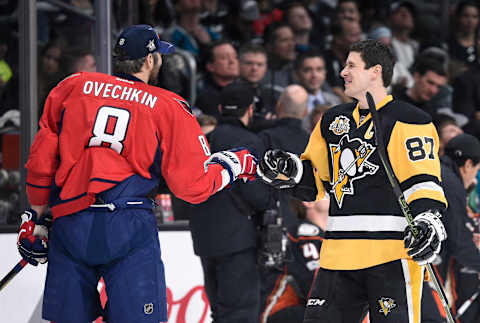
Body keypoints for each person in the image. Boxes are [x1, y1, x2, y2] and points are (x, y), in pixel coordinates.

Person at [16, 24, 257, 323]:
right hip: (128, 225)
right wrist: (234, 166)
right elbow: (191, 186)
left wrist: (36, 219)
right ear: (149, 60)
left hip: (71, 222)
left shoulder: (73, 86)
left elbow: (41, 161)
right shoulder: (168, 105)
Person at [257, 39, 448, 322]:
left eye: (351, 65)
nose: (343, 72)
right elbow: (315, 181)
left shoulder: (410, 120)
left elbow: (423, 181)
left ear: (375, 71)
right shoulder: (332, 120)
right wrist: (288, 170)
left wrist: (428, 221)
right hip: (339, 254)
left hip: (390, 255)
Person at [188, 82, 272, 323]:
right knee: (240, 314)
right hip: (238, 242)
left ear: (222, 108)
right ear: (249, 110)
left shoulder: (202, 142)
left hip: (204, 241)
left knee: (219, 313)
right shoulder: (250, 142)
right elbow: (258, 196)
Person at [261, 196, 328, 323]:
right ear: (308, 202)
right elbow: (317, 288)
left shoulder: (323, 237)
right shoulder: (306, 237)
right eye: (325, 192)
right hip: (283, 310)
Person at [437, 133, 480, 322]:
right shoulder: (451, 184)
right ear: (468, 164)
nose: (473, 178)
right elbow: (459, 240)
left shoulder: (438, 171)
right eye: (477, 169)